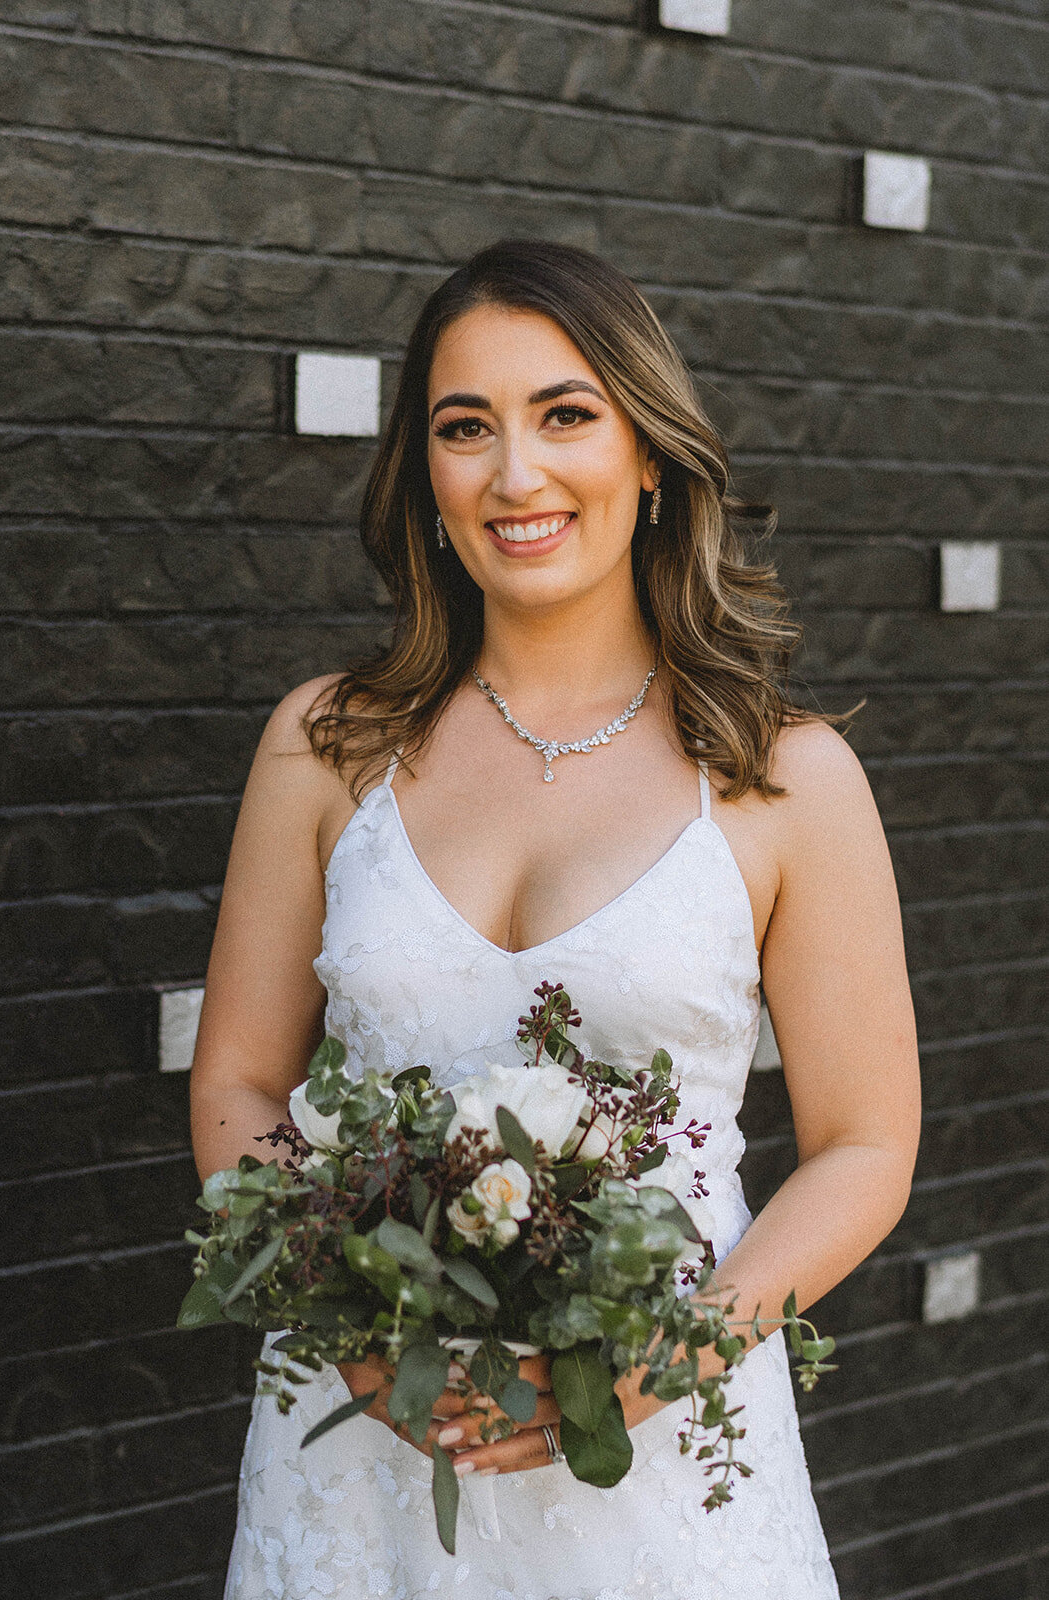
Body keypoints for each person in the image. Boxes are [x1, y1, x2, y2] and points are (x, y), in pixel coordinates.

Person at [190, 238, 921, 1599]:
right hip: (361, 1468)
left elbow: (866, 1144)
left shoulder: (782, 775)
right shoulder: (325, 745)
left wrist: (664, 1364)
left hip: (661, 1467)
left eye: (565, 415)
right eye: (466, 429)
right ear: (426, 477)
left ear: (651, 456)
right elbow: (237, 1077)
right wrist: (346, 1321)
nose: (515, 475)